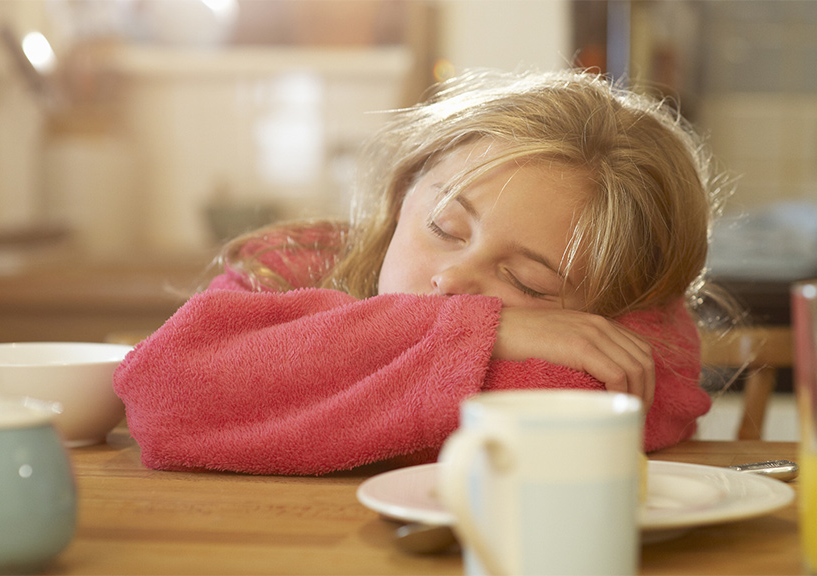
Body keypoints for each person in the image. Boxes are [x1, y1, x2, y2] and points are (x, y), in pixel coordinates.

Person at [113, 68, 728, 475]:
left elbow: (591, 404)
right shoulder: (287, 267)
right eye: (445, 228)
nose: (454, 281)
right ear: (405, 191)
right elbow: (166, 392)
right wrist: (489, 331)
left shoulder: (644, 343)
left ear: (615, 310)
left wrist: (303, 392)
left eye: (527, 284)